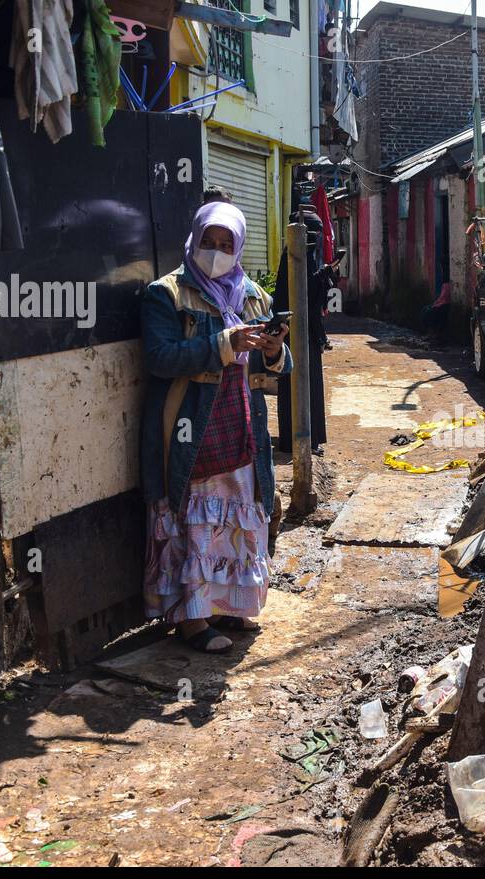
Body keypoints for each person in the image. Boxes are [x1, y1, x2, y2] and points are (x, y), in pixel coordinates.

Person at [140, 202, 291, 653]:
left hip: (241, 421)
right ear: (195, 239)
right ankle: (193, 619)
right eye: (209, 242)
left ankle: (229, 605)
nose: (217, 252)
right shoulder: (165, 294)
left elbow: (276, 371)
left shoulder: (251, 295)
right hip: (189, 424)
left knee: (237, 514)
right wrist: (224, 343)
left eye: (227, 245)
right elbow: (160, 358)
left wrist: (271, 350)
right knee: (196, 519)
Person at [273, 202, 329, 455]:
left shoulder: (300, 257)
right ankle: (298, 440)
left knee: (307, 387)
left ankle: (307, 440)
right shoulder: (294, 258)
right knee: (297, 387)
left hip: (302, 333)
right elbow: (301, 295)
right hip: (295, 333)